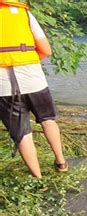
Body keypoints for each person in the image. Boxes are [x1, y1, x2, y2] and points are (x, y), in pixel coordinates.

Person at [0, 0, 67, 177]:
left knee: (22, 133)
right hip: (33, 77)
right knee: (48, 119)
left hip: (3, 87)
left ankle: (38, 178)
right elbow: (46, 49)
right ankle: (61, 162)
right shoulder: (23, 13)